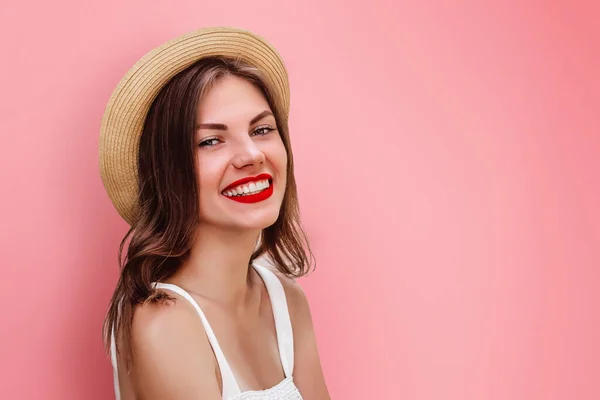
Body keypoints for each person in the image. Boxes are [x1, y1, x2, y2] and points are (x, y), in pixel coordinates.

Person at [98, 27, 330, 399]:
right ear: (167, 172)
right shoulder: (165, 323)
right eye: (210, 141)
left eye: (262, 129)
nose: (251, 154)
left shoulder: (285, 299)